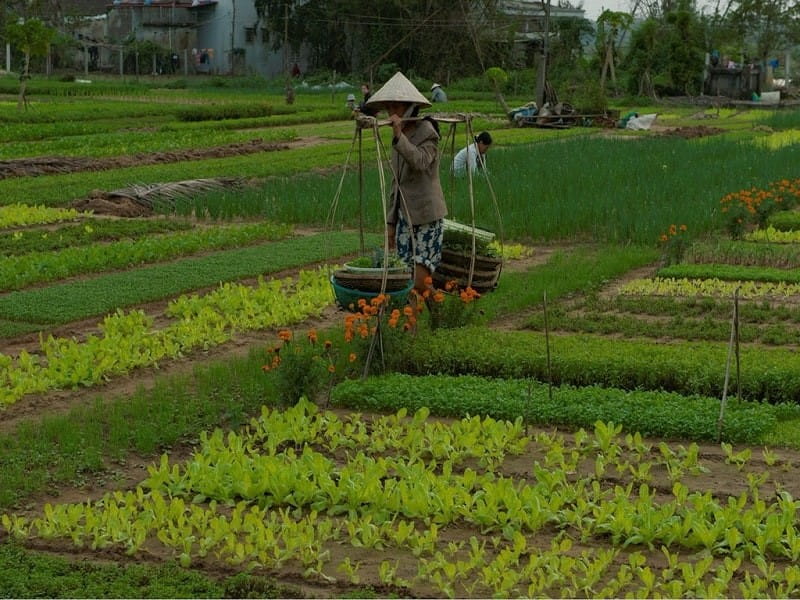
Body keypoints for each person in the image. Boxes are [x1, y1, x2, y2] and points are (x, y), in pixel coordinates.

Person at [364, 72, 447, 295]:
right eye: (389, 107)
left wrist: (399, 135)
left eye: (397, 107)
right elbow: (396, 182)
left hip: (426, 215)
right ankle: (414, 324)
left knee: (420, 280)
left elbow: (420, 162)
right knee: (404, 278)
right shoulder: (397, 139)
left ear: (410, 107)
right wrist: (390, 224)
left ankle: (436, 312)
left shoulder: (427, 132)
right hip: (404, 218)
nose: (392, 112)